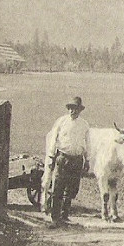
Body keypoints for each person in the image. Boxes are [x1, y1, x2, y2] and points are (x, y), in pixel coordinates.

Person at [42, 95, 90, 226]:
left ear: (80, 110)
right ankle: (55, 218)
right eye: (71, 108)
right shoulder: (61, 122)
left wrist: (87, 160)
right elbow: (53, 140)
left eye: (75, 109)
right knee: (58, 187)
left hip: (77, 160)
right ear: (68, 109)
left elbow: (87, 143)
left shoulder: (84, 125)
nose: (73, 111)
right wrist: (51, 156)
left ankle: (65, 215)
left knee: (72, 189)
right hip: (63, 158)